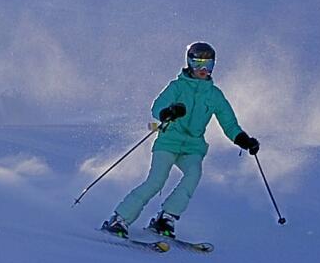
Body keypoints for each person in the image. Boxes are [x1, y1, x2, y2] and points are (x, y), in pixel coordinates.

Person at [102, 42, 260, 240]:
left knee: (193, 175)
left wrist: (243, 140)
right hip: (169, 142)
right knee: (156, 181)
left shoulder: (214, 95)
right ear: (189, 63)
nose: (203, 70)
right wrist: (169, 112)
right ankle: (120, 219)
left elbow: (229, 124)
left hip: (193, 147)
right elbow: (158, 107)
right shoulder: (177, 87)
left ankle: (165, 218)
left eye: (208, 65)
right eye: (198, 64)